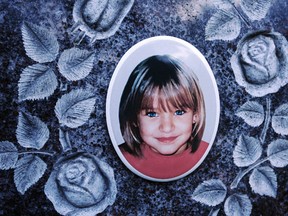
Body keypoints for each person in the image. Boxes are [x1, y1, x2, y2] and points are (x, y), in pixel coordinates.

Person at [119, 55, 208, 179]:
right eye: (152, 114)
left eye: (179, 112)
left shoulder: (210, 156)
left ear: (196, 114)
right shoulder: (119, 159)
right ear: (134, 119)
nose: (166, 128)